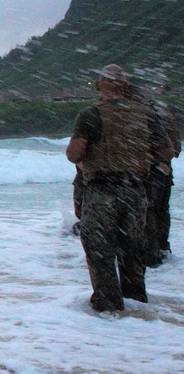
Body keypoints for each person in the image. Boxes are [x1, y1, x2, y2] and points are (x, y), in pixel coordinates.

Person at [65, 65, 173, 313]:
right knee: (132, 251)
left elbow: (75, 153)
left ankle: (109, 308)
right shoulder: (146, 114)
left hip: (103, 190)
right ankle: (136, 306)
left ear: (100, 85)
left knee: (100, 250)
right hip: (136, 191)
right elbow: (165, 151)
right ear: (125, 87)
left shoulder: (91, 114)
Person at [141, 92, 180, 266]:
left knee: (149, 215)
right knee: (162, 213)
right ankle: (163, 251)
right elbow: (176, 148)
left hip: (150, 174)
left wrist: (154, 161)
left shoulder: (143, 117)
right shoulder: (164, 115)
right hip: (164, 174)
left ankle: (151, 256)